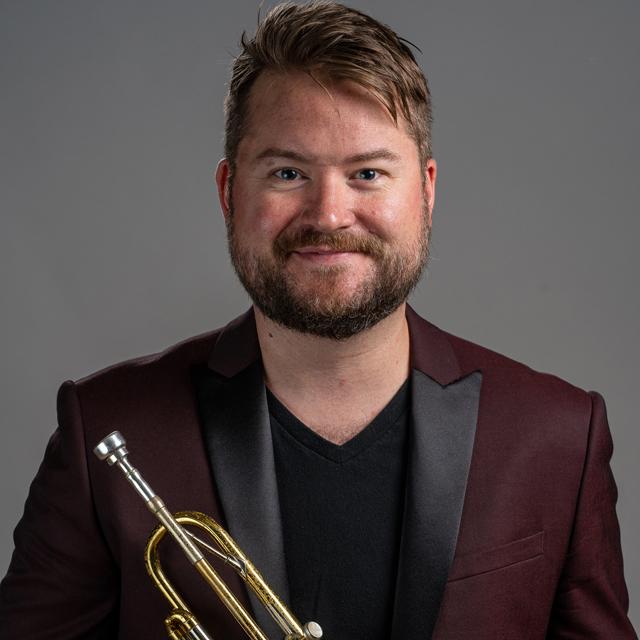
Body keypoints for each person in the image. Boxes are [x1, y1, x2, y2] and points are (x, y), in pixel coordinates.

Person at [0, 1, 636, 638]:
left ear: (427, 191)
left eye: (367, 173)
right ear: (229, 193)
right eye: (287, 172)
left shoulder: (557, 438)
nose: (329, 214)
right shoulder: (105, 431)